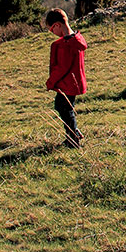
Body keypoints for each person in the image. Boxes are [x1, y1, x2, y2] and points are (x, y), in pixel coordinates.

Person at [45, 8, 87, 148]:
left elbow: (62, 67)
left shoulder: (65, 45)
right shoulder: (77, 39)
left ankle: (73, 138)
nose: (53, 33)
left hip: (66, 83)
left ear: (57, 25)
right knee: (65, 108)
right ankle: (73, 134)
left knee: (64, 109)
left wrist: (51, 82)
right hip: (74, 83)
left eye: (51, 30)